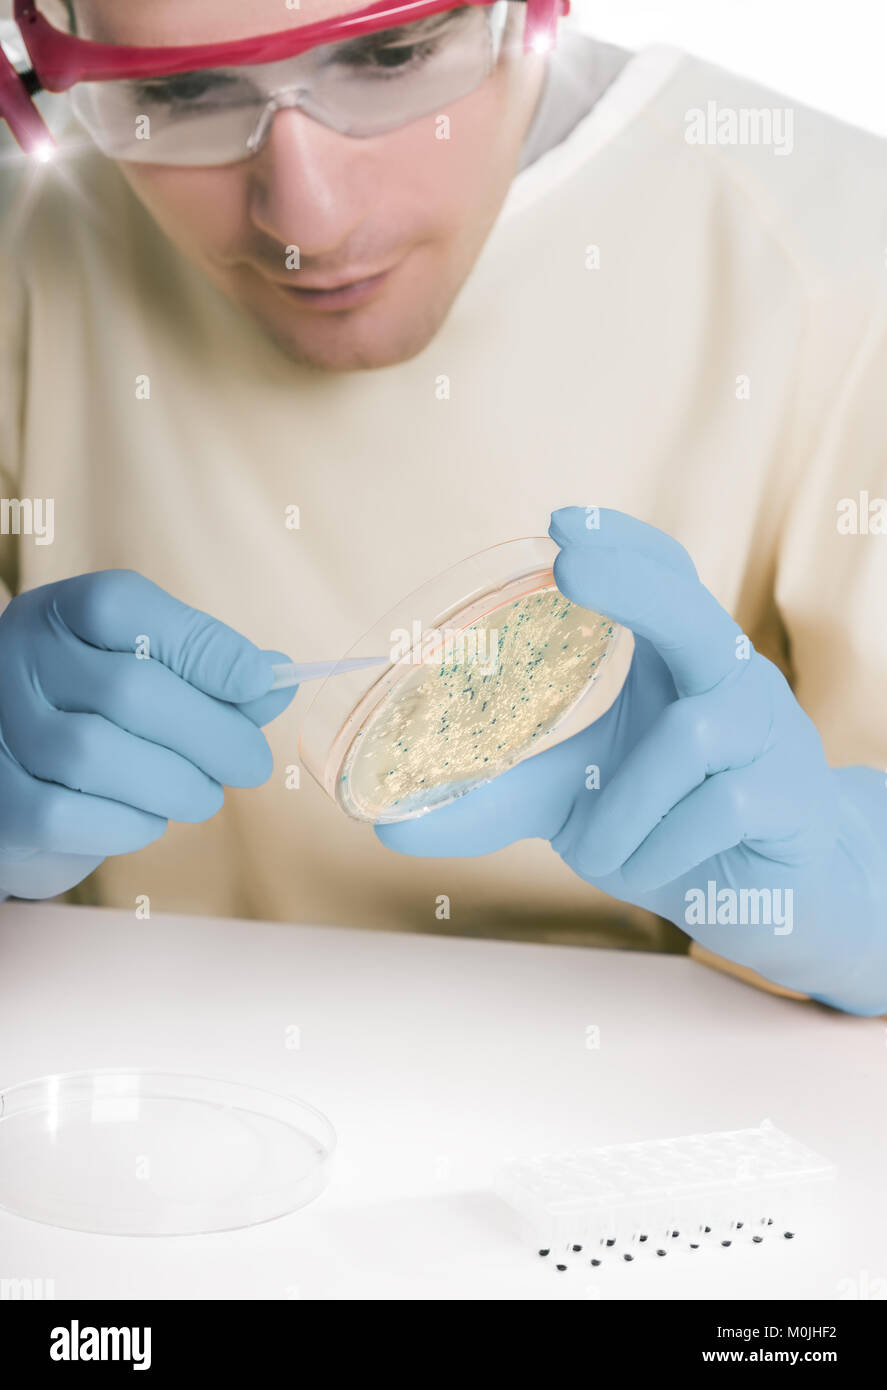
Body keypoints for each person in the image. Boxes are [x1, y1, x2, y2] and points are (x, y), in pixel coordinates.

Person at [0, 0, 885, 1013]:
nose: (309, 220)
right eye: (181, 92)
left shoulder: (839, 260)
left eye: (393, 54)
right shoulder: (27, 239)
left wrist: (859, 891)